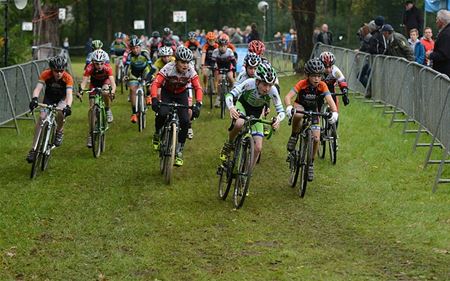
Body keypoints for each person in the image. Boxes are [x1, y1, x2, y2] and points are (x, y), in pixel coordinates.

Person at [219, 62, 285, 170]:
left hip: (257, 113)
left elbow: (281, 111)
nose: (267, 88)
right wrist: (231, 107)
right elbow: (230, 95)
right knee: (239, 123)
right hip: (243, 106)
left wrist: (278, 119)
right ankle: (229, 144)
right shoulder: (249, 83)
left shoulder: (272, 91)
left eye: (270, 85)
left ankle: (246, 173)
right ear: (257, 81)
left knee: (258, 148)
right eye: (264, 84)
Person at [284, 58, 338, 181]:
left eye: (319, 76)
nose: (316, 79)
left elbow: (330, 100)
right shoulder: (302, 84)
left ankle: (310, 163)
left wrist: (334, 112)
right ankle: (293, 136)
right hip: (301, 106)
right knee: (298, 115)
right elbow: (288, 96)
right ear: (308, 75)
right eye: (313, 76)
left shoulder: (322, 85)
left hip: (314, 111)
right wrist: (288, 107)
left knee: (316, 138)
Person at [151, 46, 203, 166]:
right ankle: (158, 133)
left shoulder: (191, 71)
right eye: (182, 62)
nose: (185, 65)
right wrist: (154, 98)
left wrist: (198, 103)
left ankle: (179, 150)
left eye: (187, 62)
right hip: (167, 93)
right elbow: (156, 84)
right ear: (176, 61)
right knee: (162, 113)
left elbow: (198, 88)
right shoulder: (168, 68)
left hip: (181, 94)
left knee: (185, 121)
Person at [26, 56, 73, 163]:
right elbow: (38, 88)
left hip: (62, 99)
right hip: (49, 98)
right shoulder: (46, 74)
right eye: (56, 71)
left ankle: (59, 131)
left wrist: (68, 106)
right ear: (52, 69)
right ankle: (33, 149)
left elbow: (69, 94)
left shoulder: (68, 78)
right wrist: (34, 99)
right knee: (41, 118)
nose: (59, 73)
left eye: (61, 70)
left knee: (61, 113)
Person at [80, 49, 116, 146]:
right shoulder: (89, 68)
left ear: (104, 62)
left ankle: (107, 109)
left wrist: (112, 91)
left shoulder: (108, 68)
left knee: (105, 92)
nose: (99, 66)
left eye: (101, 63)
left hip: (105, 82)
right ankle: (91, 134)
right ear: (93, 62)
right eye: (97, 64)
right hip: (94, 84)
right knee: (92, 111)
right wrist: (81, 90)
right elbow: (84, 82)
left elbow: (113, 83)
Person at [124, 38, 156, 122]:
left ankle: (148, 96)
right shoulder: (130, 55)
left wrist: (150, 75)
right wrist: (126, 75)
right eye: (133, 48)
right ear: (131, 49)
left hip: (145, 71)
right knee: (133, 90)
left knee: (149, 84)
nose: (135, 50)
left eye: (137, 47)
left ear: (140, 47)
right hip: (134, 73)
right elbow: (126, 67)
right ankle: (134, 113)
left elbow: (152, 67)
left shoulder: (145, 53)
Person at [211, 35, 236, 107]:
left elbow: (233, 61)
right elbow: (213, 61)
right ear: (218, 46)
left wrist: (234, 67)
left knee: (230, 78)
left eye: (224, 46)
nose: (222, 48)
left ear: (227, 46)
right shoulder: (215, 52)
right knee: (219, 80)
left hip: (228, 67)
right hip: (220, 67)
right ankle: (218, 97)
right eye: (220, 46)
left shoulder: (229, 51)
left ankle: (232, 92)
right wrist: (213, 66)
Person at [426, 10, 450, 77]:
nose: (436, 22)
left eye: (437, 19)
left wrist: (430, 55)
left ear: (441, 21)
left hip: (445, 73)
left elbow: (443, 54)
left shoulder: (446, 34)